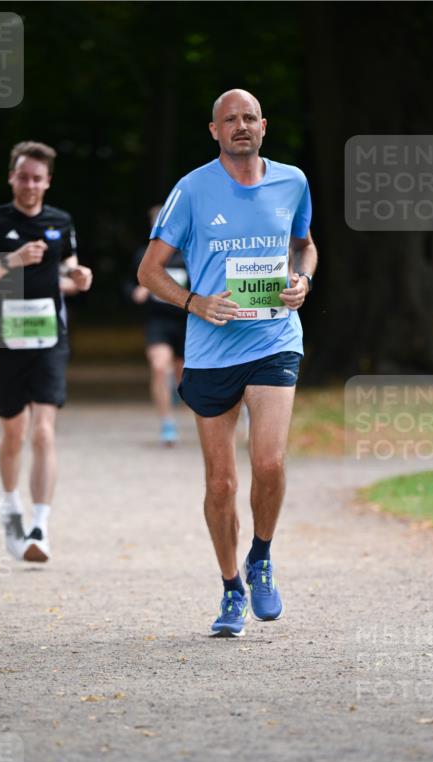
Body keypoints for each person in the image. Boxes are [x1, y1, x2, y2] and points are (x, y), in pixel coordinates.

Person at [138, 89, 317, 636]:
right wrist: (195, 302)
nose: (240, 126)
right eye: (229, 120)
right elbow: (151, 271)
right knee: (220, 484)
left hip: (274, 338)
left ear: (263, 126)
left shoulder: (293, 181)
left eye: (248, 118)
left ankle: (260, 556)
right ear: (213, 130)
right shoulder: (191, 190)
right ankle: (230, 589)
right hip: (213, 350)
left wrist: (303, 279)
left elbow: (305, 245)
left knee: (269, 463)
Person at [0, 141, 92, 563]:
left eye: (38, 178)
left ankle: (39, 526)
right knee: (14, 432)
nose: (30, 184)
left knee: (43, 431)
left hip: (50, 338)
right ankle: (10, 504)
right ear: (11, 177)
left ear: (48, 181)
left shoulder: (61, 222)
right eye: (23, 176)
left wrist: (79, 277)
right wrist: (11, 261)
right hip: (4, 339)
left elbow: (68, 273)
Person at [131, 206, 187, 445]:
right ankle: (167, 424)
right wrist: (141, 290)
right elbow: (131, 286)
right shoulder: (145, 255)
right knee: (158, 366)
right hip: (158, 322)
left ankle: (175, 391)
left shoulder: (188, 254)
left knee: (182, 374)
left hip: (186, 321)